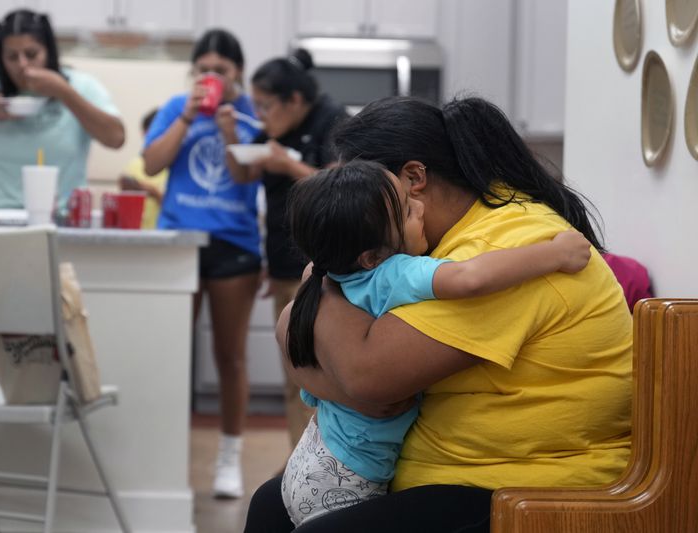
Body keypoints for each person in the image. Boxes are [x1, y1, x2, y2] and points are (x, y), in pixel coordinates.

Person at [244, 96, 632, 532]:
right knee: (268, 505)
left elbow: (368, 377)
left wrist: (327, 273)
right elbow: (294, 336)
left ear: (413, 179)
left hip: (525, 486)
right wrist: (329, 295)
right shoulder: (425, 245)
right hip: (447, 470)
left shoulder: (507, 250)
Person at [281, 160, 592, 526]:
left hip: (311, 458)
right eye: (408, 211)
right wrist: (555, 254)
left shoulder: (326, 278)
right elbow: (469, 278)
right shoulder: (392, 272)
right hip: (349, 478)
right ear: (372, 256)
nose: (421, 207)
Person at [142, 28, 261, 499]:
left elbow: (246, 175)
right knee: (171, 354)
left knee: (229, 357)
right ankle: (163, 453)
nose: (211, 77)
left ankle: (228, 458)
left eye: (221, 70)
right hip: (179, 239)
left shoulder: (253, 112)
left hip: (234, 243)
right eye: (203, 70)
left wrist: (231, 130)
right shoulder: (177, 107)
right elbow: (151, 163)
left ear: (238, 74)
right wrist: (189, 116)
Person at [227, 48, 349, 452]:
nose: (260, 114)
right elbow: (244, 173)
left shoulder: (331, 120)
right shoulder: (274, 132)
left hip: (325, 271)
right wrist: (229, 133)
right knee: (293, 374)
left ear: (294, 100)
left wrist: (289, 167)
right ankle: (299, 457)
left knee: (319, 374)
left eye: (265, 105)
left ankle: (325, 458)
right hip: (283, 263)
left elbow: (346, 190)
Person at [0, 9, 123, 214]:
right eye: (12, 57)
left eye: (31, 54)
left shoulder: (80, 85)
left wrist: (64, 92)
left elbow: (116, 138)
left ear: (49, 51)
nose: (22, 64)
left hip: (59, 218)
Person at [119, 109, 168, 229]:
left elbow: (177, 209)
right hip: (139, 234)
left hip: (165, 235)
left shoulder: (175, 166)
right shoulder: (134, 164)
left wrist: (153, 192)